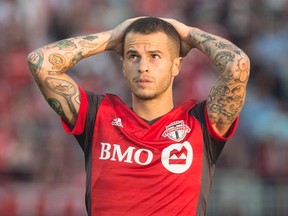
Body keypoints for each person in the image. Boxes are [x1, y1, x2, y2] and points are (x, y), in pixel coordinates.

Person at [27, 17, 250, 216]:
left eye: (155, 56)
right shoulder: (99, 115)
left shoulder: (199, 123)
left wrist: (189, 33)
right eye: (133, 56)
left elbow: (238, 66)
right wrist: (112, 38)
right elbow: (40, 62)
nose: (143, 66)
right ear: (123, 65)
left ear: (176, 66)